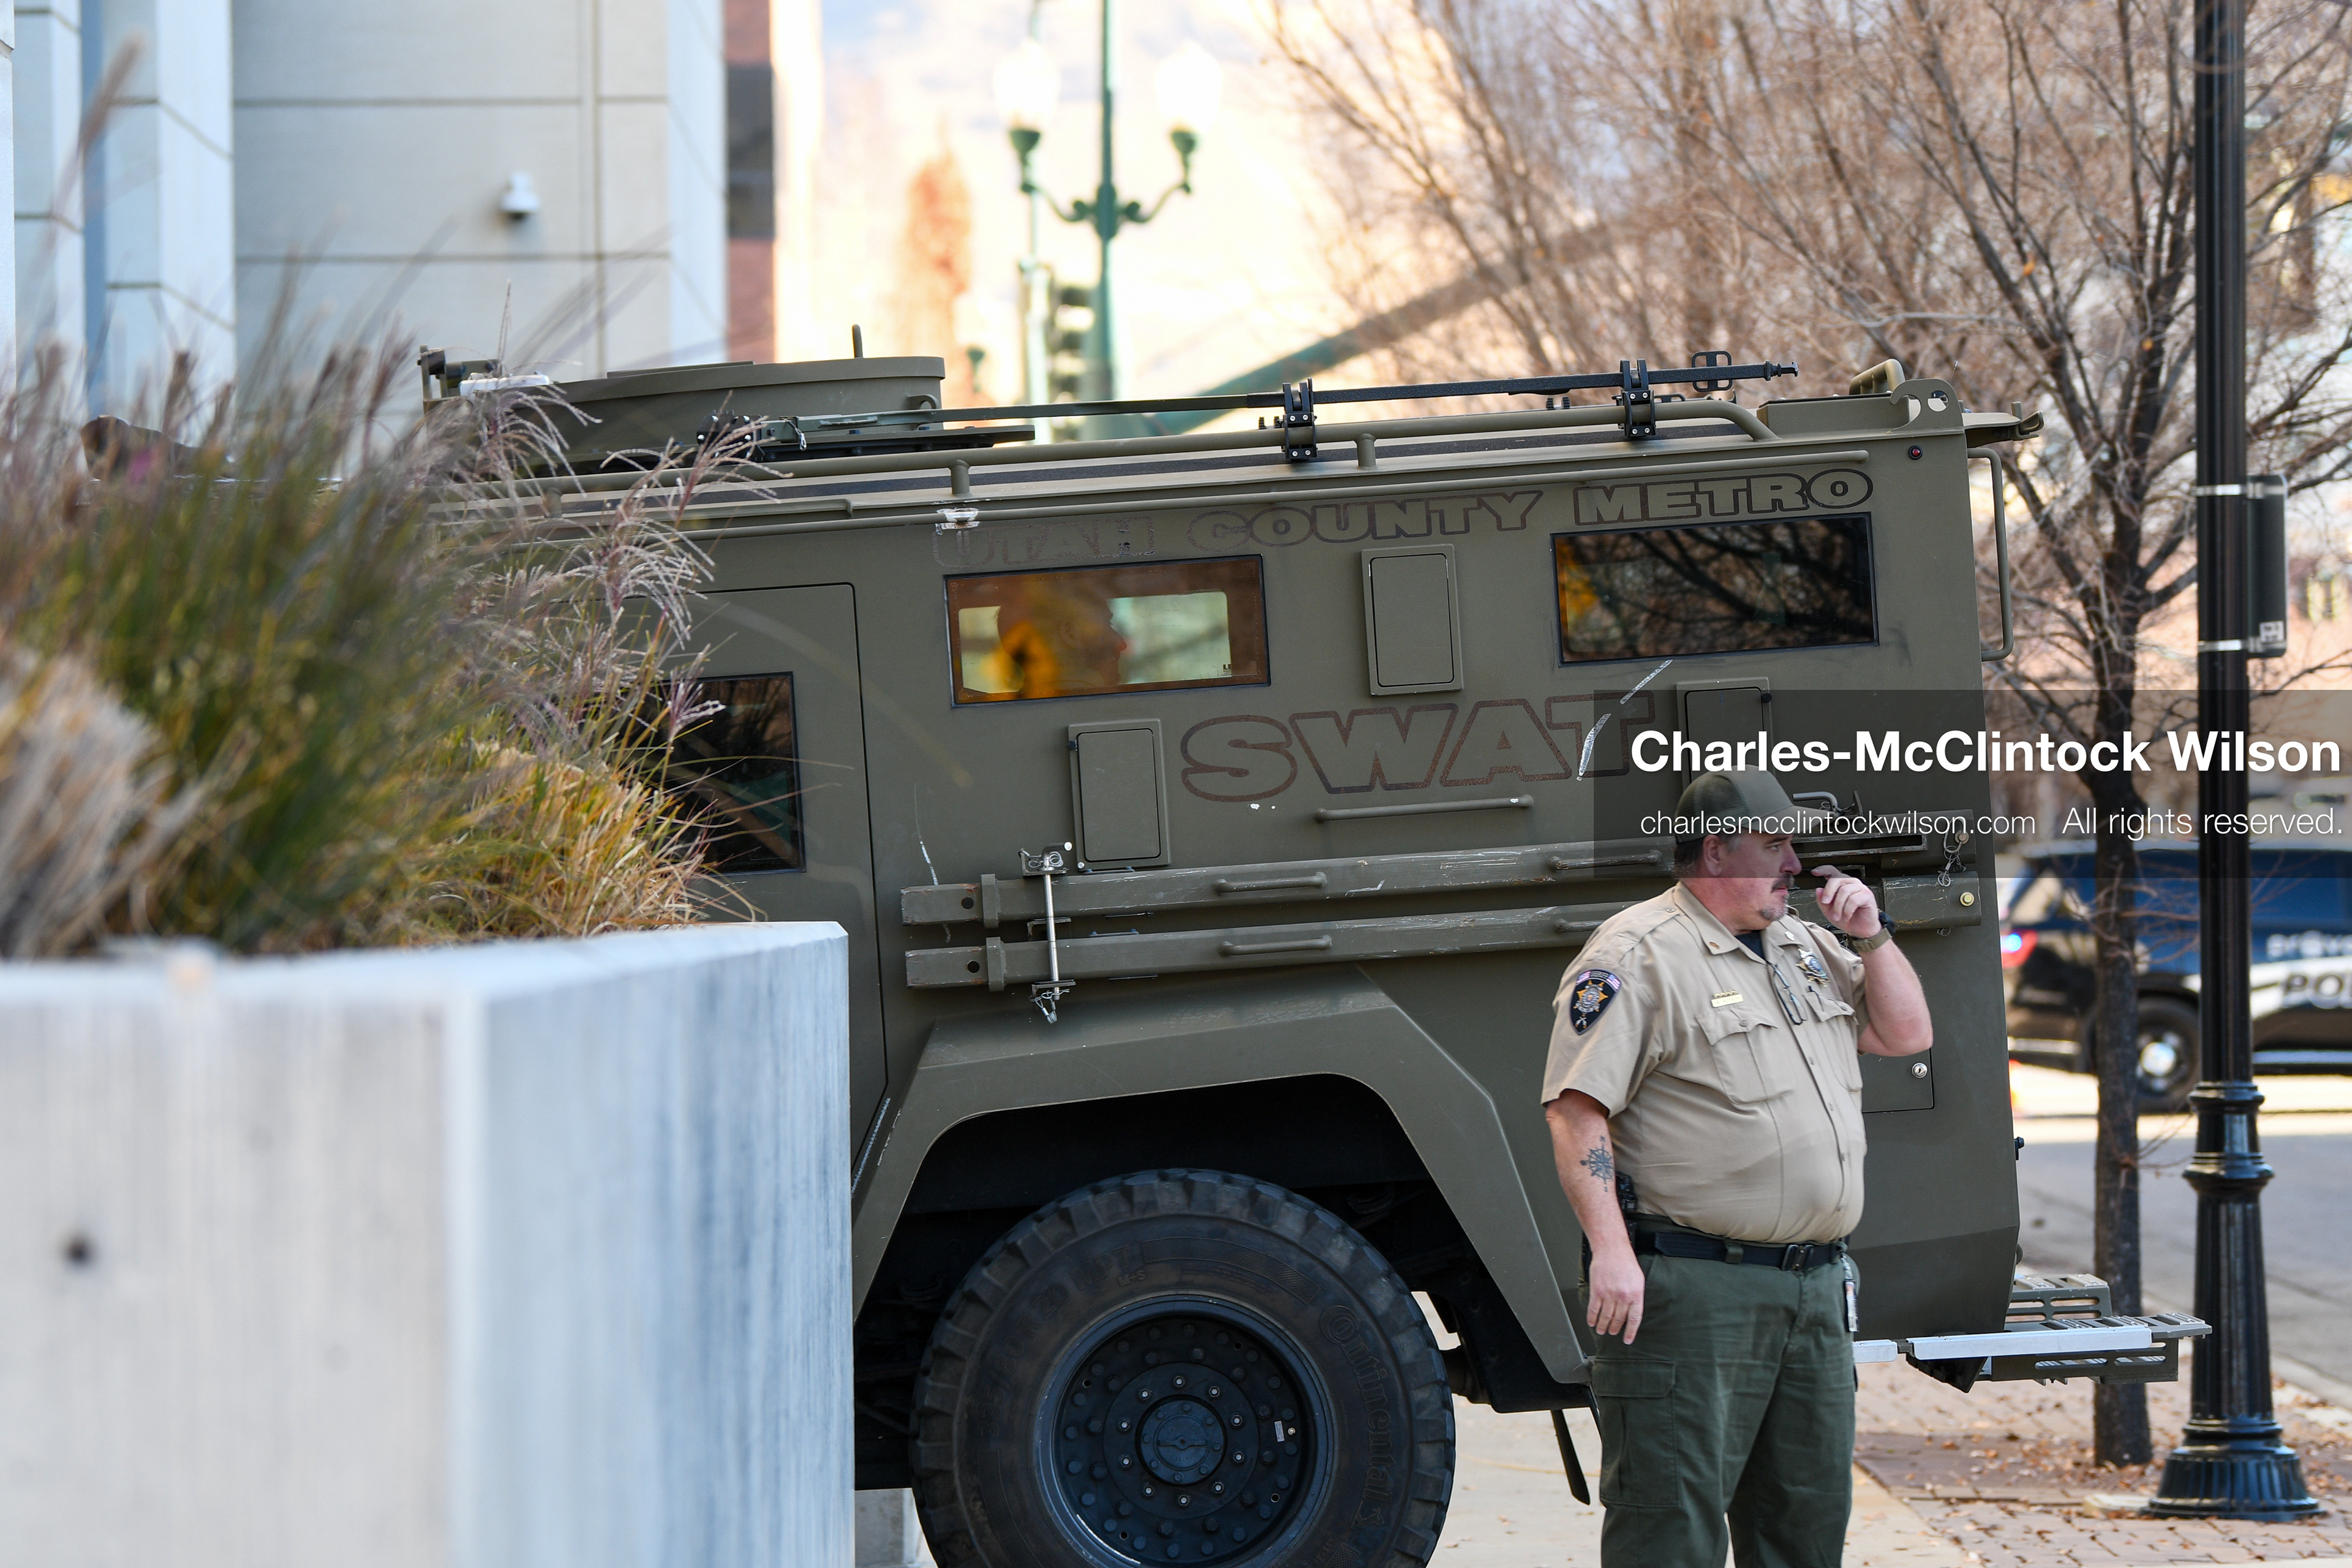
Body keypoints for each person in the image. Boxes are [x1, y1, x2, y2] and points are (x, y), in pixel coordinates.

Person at [1541, 770, 1933, 1568]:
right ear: (1717, 852)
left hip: (1813, 1292)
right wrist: (1611, 1253)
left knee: (1804, 1529)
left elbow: (1906, 1035)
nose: (1795, 865)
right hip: (1693, 1290)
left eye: (1795, 846)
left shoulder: (1806, 945)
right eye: (1775, 845)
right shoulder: (1636, 954)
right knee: (1670, 1533)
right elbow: (1577, 1110)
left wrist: (1873, 936)